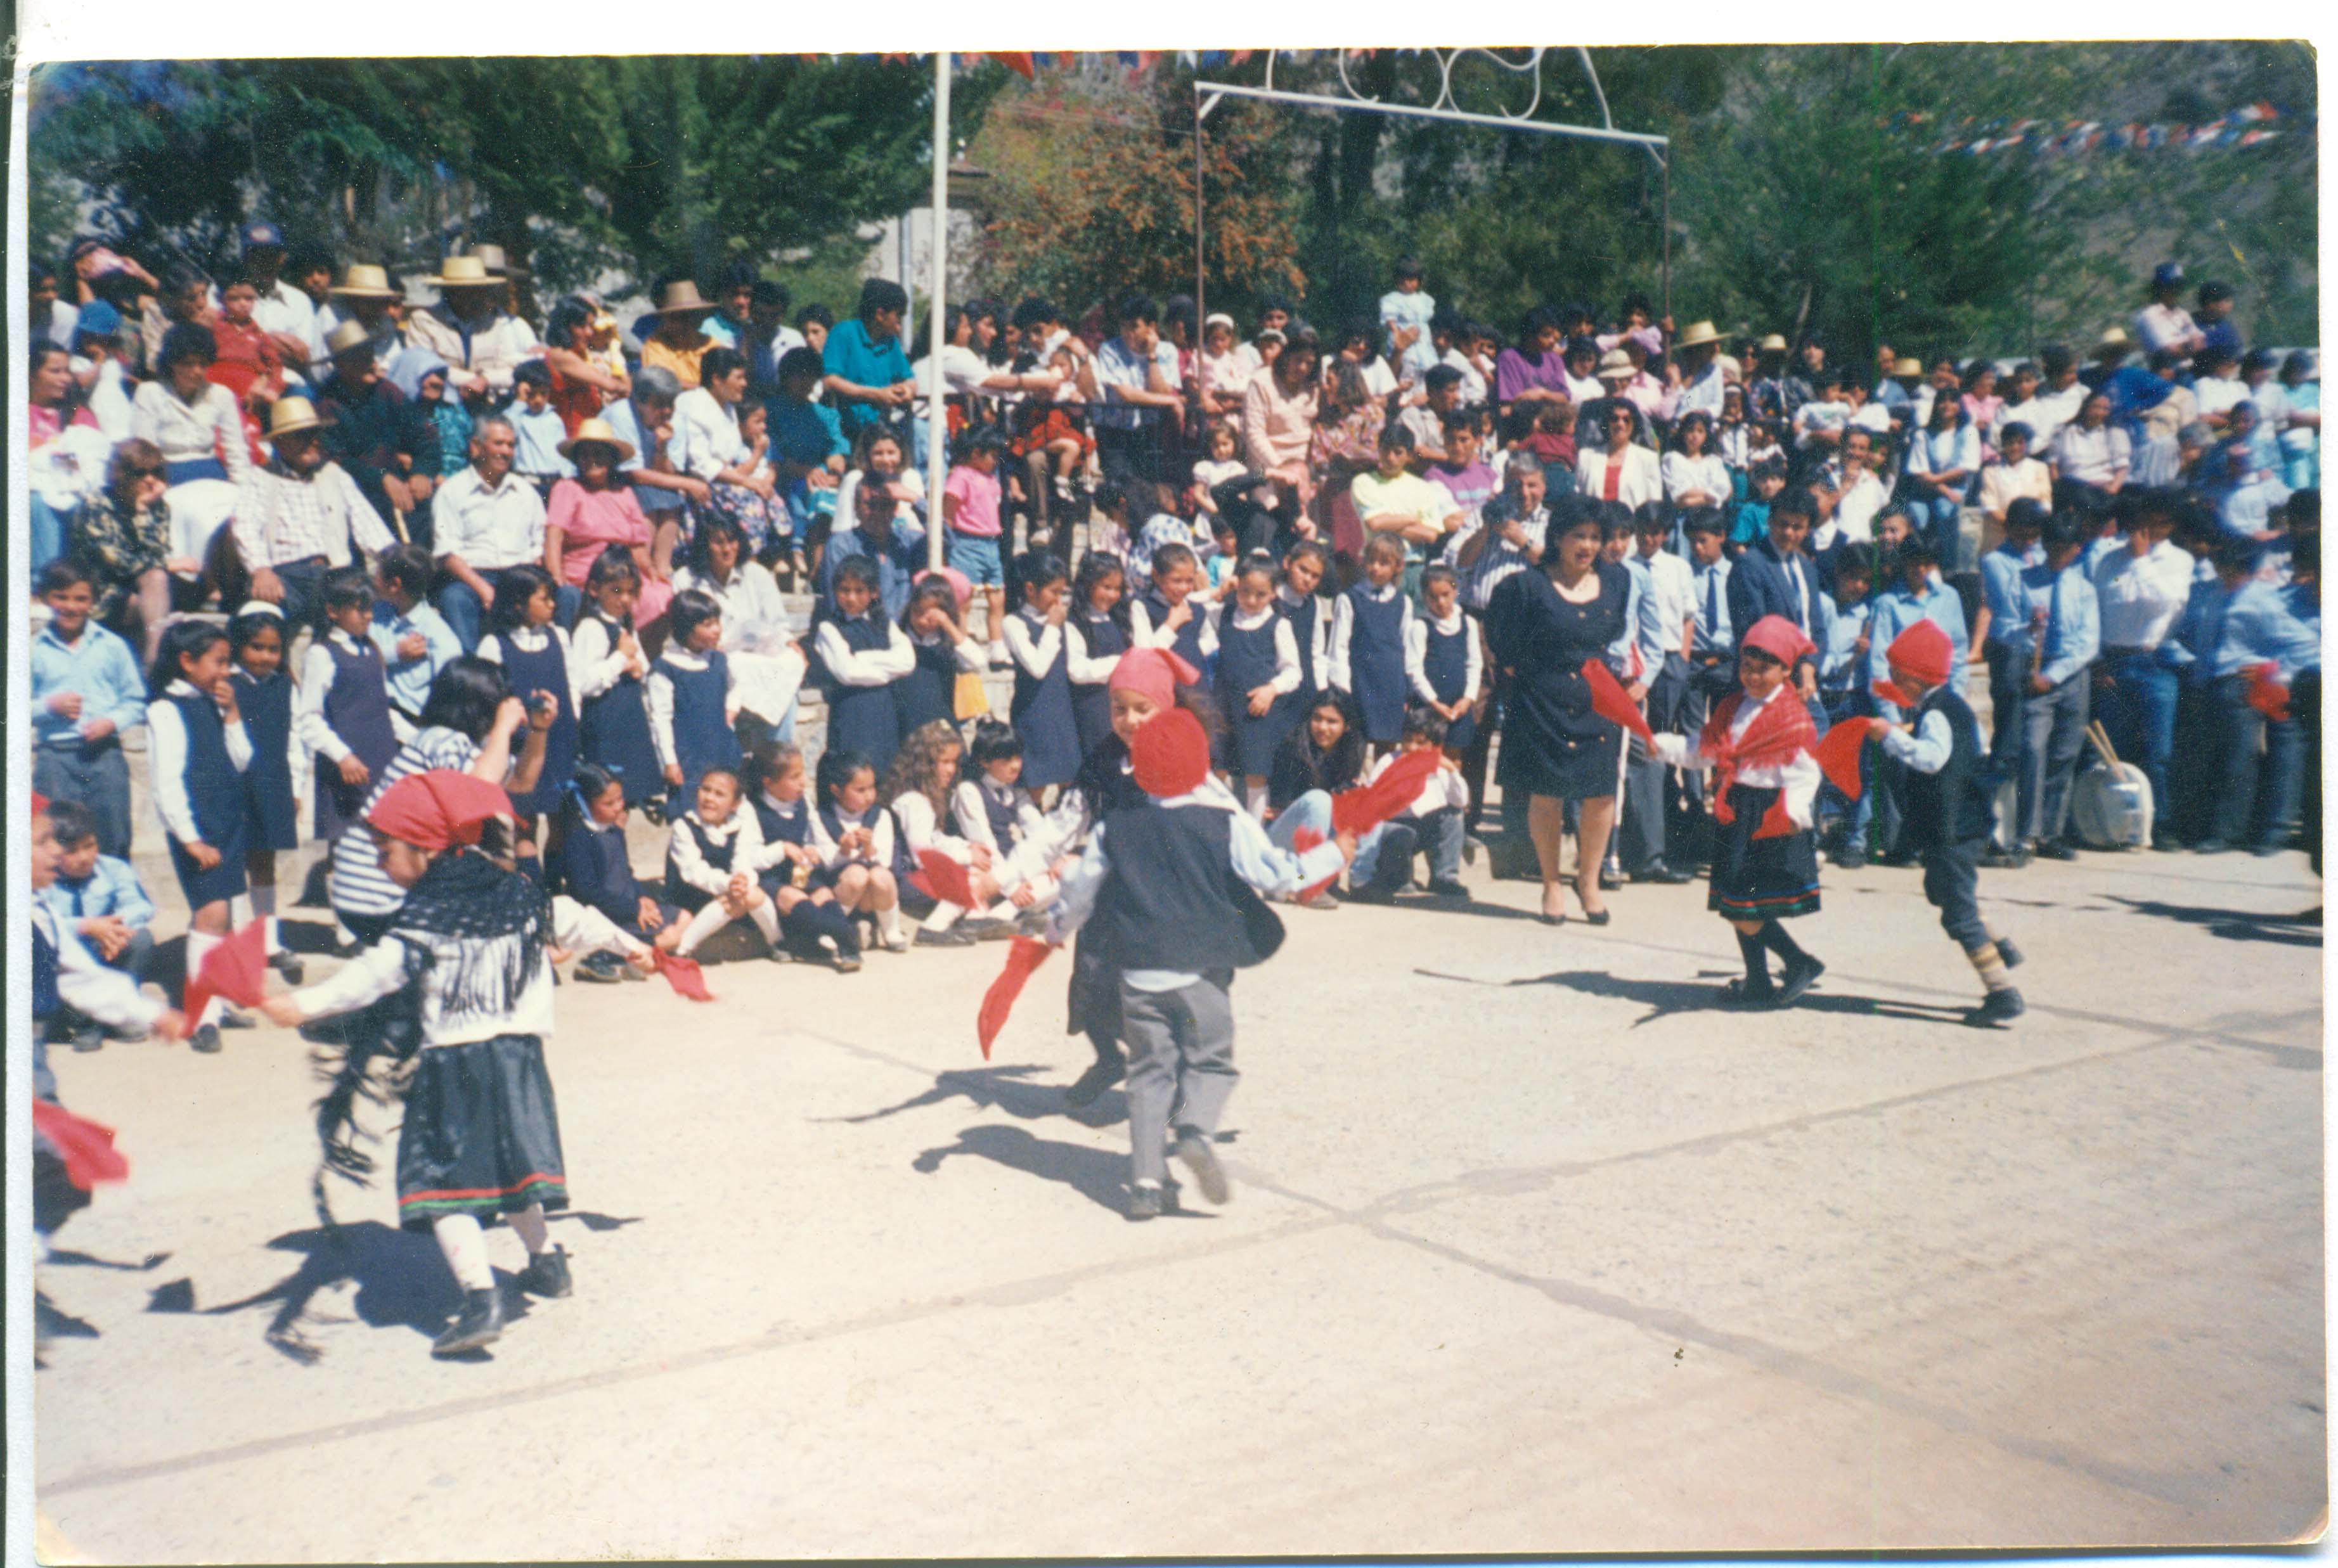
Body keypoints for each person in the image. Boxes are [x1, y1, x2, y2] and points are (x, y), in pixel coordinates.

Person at [260, 768, 646, 1358]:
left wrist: (300, 1005)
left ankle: (479, 1299)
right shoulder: (517, 892)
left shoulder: (426, 919)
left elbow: (371, 976)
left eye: (388, 852)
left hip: (456, 1068)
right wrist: (636, 947)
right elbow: (574, 918)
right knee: (513, 1175)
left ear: (425, 846)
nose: (385, 866)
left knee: (444, 1186)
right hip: (520, 1061)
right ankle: (547, 1263)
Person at [1043, 702, 1351, 1219]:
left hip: (1138, 975)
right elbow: (1278, 878)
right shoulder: (1225, 821)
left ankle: (1144, 1183)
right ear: (1200, 764)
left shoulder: (1114, 827)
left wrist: (1054, 930)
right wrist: (1333, 855)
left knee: (1148, 1074)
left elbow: (1081, 890)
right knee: (1210, 1061)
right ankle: (1194, 1130)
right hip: (1201, 971)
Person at [1653, 616, 1827, 1006]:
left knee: (1743, 906)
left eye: (1764, 669)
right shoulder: (1732, 707)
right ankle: (1759, 980)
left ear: (1786, 670)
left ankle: (1798, 962)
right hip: (1737, 810)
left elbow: (1805, 771)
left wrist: (1796, 814)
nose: (1753, 676)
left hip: (1769, 816)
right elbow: (1705, 749)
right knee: (1738, 903)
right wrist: (1661, 745)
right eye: (1746, 667)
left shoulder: (1790, 716)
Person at [1865, 620, 2027, 1026]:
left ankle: (2001, 991)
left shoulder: (1936, 714)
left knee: (1957, 912)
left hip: (1951, 829)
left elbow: (1932, 758)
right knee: (1943, 891)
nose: (1893, 680)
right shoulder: (1946, 706)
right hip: (1962, 825)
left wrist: (1890, 736)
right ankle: (2000, 946)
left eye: (1898, 674)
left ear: (1915, 677)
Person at [1484, 498, 1632, 924]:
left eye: (1594, 537)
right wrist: (1524, 670)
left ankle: (1588, 882)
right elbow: (1500, 633)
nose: (1587, 545)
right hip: (1543, 701)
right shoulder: (1528, 585)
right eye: (1578, 536)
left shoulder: (1617, 580)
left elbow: (1617, 629)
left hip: (1597, 698)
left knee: (1601, 794)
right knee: (1546, 794)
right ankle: (1551, 884)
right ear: (1558, 539)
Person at [145, 621, 252, 1053]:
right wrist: (189, 839)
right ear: (187, 662)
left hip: (226, 826)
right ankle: (202, 1014)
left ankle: (219, 1002)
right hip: (198, 831)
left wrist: (232, 715)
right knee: (210, 916)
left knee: (223, 918)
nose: (227, 671)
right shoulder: (165, 710)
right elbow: (165, 784)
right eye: (219, 662)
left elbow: (242, 760)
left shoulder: (214, 703)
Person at [2090, 489, 2193, 847]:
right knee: (2112, 749)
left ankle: (2161, 825)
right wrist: (2098, 657)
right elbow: (2107, 603)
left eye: (2158, 524)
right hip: (2113, 662)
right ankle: (2110, 824)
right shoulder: (2110, 562)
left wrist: (2141, 560)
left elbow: (2161, 605)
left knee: (2158, 752)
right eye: (2143, 523)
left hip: (2154, 662)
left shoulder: (2178, 561)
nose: (2148, 529)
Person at [32, 560, 145, 860]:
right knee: (57, 838)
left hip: (104, 753)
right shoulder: (33, 649)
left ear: (93, 601)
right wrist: (48, 706)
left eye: (81, 598)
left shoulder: (113, 646)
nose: (71, 606)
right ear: (45, 598)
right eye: (62, 597)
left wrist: (111, 722)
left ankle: (112, 902)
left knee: (113, 834)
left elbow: (135, 701)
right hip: (55, 756)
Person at [39, 799, 163, 1052]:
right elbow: (39, 922)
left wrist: (111, 928)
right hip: (65, 962)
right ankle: (84, 1024)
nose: (84, 858)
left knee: (141, 939)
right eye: (71, 852)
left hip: (105, 948)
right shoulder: (42, 878)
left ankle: (120, 1015)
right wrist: (86, 926)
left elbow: (142, 906)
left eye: (89, 846)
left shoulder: (113, 868)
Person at [2014, 513, 2102, 861]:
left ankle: (2051, 832)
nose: (2058, 555)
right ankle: (2026, 833)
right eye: (2052, 547)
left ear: (2077, 549)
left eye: (2066, 549)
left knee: (2065, 753)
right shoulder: (2025, 581)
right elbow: (2009, 627)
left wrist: (2053, 675)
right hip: (2035, 670)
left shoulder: (2085, 590)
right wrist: (2028, 629)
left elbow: (2088, 643)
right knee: (2033, 749)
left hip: (2071, 675)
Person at [297, 565, 401, 849]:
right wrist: (342, 756)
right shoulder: (323, 654)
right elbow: (308, 720)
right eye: (359, 609)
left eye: (370, 608)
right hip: (348, 770)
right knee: (348, 848)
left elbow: (382, 708)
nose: (368, 615)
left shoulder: (372, 649)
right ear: (333, 611)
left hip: (381, 761)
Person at [741, 740, 863, 971]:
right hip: (772, 879)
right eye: (794, 777)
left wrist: (812, 850)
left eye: (803, 774)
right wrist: (783, 849)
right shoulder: (752, 810)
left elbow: (817, 841)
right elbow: (750, 857)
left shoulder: (803, 803)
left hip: (802, 875)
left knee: (824, 893)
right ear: (769, 783)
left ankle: (847, 950)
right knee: (792, 897)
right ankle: (843, 933)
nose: (803, 782)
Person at [554, 762, 682, 982]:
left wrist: (642, 896)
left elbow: (627, 872)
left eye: (620, 800)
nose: (618, 807)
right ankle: (604, 956)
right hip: (607, 913)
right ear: (584, 803)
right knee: (670, 936)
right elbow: (587, 893)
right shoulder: (579, 839)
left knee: (683, 918)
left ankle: (621, 955)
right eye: (608, 803)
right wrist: (633, 909)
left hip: (629, 906)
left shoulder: (614, 830)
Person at [432, 415, 548, 650]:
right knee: (454, 598)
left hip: (520, 575)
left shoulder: (526, 492)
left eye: (511, 445)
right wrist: (483, 589)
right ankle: (472, 675)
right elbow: (446, 553)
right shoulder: (452, 492)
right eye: (499, 444)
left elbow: (538, 546)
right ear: (476, 447)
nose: (506, 451)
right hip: (473, 577)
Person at [545, 417, 672, 632]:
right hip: (585, 574)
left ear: (612, 459)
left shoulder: (624, 493)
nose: (591, 460)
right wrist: (557, 576)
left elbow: (637, 545)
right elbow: (554, 537)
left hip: (623, 571)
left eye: (598, 454)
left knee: (660, 594)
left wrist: (650, 570)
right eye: (585, 454)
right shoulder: (567, 489)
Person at [1347, 707, 1472, 902]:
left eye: (1421, 743)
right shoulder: (1388, 762)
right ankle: (1399, 879)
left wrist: (1451, 771)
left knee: (1453, 817)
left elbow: (1460, 801)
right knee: (1401, 834)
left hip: (1425, 828)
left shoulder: (1440, 767)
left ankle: (1444, 877)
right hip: (1394, 830)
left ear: (1435, 746)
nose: (1412, 748)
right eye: (1408, 740)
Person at [815, 556, 917, 774]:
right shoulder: (829, 628)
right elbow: (847, 672)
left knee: (885, 774)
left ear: (874, 592)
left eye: (859, 590)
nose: (851, 598)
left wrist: (862, 658)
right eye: (844, 590)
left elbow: (907, 662)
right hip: (851, 715)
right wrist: (887, 673)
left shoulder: (886, 625)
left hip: (884, 714)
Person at [648, 588, 744, 816]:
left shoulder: (718, 659)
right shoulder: (667, 667)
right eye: (708, 625)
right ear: (687, 629)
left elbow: (736, 687)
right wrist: (669, 762)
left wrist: (732, 708)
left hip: (722, 751)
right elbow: (659, 719)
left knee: (725, 813)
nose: (717, 630)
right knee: (691, 815)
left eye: (717, 622)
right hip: (689, 758)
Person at [809, 747, 910, 953]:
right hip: (841, 890)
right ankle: (834, 928)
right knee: (857, 875)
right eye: (860, 790)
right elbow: (827, 863)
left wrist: (868, 848)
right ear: (837, 790)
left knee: (880, 876)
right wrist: (845, 850)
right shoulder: (820, 817)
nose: (869, 796)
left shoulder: (881, 816)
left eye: (872, 788)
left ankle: (890, 930)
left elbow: (885, 861)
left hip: (871, 896)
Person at [403, 255, 536, 407]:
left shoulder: (495, 323)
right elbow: (425, 366)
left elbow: (510, 369)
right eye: (473, 292)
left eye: (482, 291)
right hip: (441, 406)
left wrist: (485, 380)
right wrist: (472, 381)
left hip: (485, 405)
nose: (481, 298)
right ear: (454, 293)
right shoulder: (424, 321)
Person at [1000, 553, 1083, 792]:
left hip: (1061, 711)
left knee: (1069, 781)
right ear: (1030, 589)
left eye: (1062, 593)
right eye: (1053, 592)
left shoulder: (1062, 625)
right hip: (1033, 713)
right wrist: (1052, 628)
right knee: (1035, 784)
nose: (1059, 600)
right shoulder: (1014, 623)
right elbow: (1037, 667)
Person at [1330, 534, 1416, 752]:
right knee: (1355, 746)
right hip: (1361, 683)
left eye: (1383, 563)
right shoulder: (1350, 599)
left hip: (1391, 684)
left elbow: (1407, 647)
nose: (1375, 568)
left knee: (1386, 747)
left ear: (1398, 566)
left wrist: (1407, 690)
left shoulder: (1403, 602)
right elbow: (1338, 647)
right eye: (1371, 561)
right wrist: (1342, 689)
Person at [370, 543, 463, 737]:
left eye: (377, 574)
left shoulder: (439, 636)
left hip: (411, 724)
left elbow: (449, 697)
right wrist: (394, 653)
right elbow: (350, 657)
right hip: (373, 713)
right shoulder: (373, 615)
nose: (373, 580)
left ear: (395, 585)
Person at [822, 278, 915, 442]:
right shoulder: (843, 333)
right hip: (845, 434)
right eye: (899, 315)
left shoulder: (891, 341)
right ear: (880, 314)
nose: (900, 321)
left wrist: (907, 390)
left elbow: (909, 379)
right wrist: (875, 395)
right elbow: (830, 381)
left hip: (880, 433)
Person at [895, 572, 986, 738]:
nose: (922, 620)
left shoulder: (948, 644)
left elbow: (978, 662)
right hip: (906, 726)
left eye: (930, 615)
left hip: (941, 726)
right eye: (917, 612)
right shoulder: (898, 639)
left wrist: (948, 625)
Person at [1067, 551, 1135, 758]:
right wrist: (1119, 662)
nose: (1112, 595)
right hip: (1093, 708)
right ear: (1088, 584)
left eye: (1117, 589)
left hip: (1121, 707)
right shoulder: (1075, 623)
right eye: (1106, 587)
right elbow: (1077, 670)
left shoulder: (1118, 619)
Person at [2135, 261, 2202, 356]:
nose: (2176, 290)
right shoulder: (2149, 316)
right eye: (2171, 286)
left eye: (2179, 286)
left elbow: (2200, 343)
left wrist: (2188, 346)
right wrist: (2191, 345)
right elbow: (2171, 350)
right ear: (2160, 288)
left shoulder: (2182, 313)